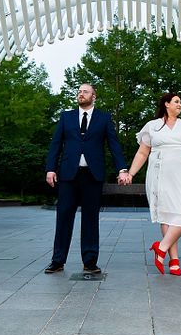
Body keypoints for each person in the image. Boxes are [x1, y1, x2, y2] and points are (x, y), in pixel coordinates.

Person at [44, 82, 129, 275]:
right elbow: (56, 144)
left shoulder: (104, 118)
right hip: (68, 175)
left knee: (90, 219)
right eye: (79, 91)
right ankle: (57, 261)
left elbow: (114, 145)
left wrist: (122, 169)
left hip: (93, 175)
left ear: (94, 96)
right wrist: (51, 169)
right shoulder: (66, 117)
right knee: (64, 217)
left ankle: (90, 262)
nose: (81, 94)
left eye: (85, 91)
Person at [127, 92, 181, 276]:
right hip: (160, 174)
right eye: (177, 101)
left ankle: (161, 247)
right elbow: (142, 153)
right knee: (167, 215)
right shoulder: (152, 126)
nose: (180, 104)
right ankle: (174, 261)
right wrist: (131, 173)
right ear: (166, 104)